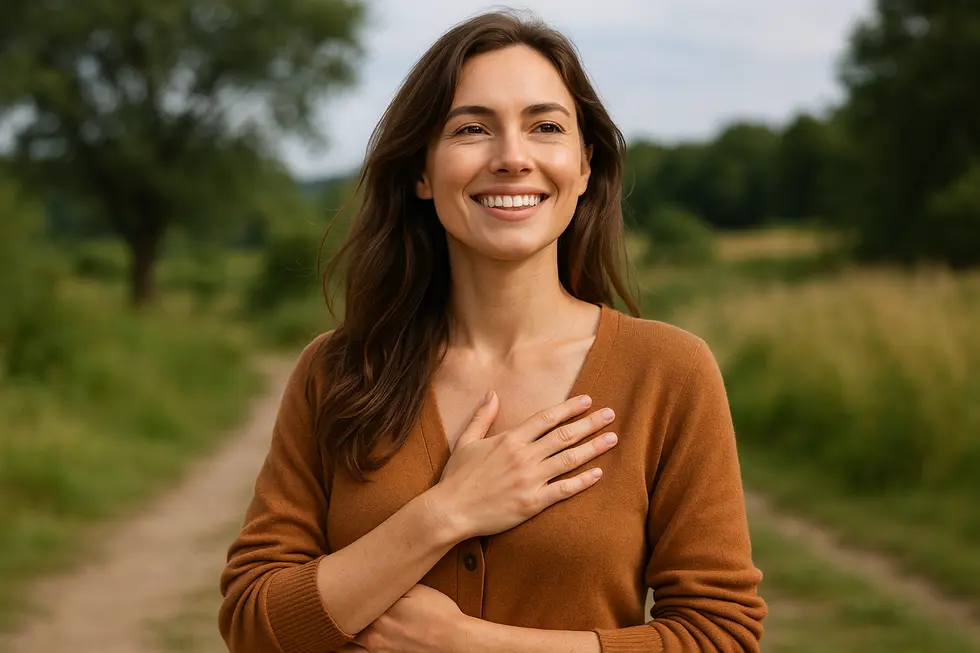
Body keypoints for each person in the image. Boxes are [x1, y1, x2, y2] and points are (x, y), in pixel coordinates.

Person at [219, 10, 766, 653]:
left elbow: (719, 635)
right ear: (422, 172)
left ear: (584, 167)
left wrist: (468, 644)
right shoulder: (339, 369)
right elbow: (255, 625)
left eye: (545, 127)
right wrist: (445, 512)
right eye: (472, 128)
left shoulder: (668, 372)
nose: (512, 158)